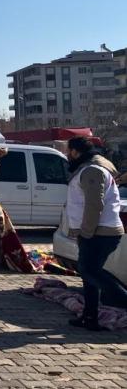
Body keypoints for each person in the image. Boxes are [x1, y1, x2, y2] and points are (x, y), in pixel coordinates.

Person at [65, 136, 127, 330]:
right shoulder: (87, 168)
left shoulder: (92, 170)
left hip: (99, 233)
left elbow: (94, 205)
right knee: (88, 275)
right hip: (94, 232)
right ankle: (90, 317)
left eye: (69, 151)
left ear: (75, 152)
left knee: (90, 271)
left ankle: (122, 300)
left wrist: (86, 232)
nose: (67, 155)